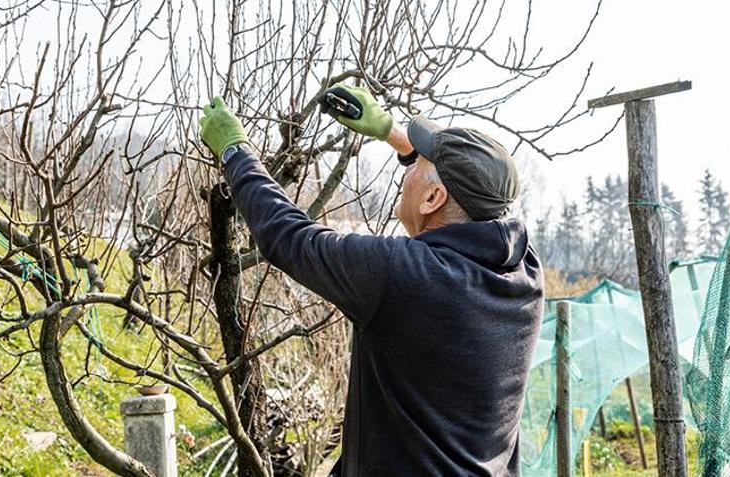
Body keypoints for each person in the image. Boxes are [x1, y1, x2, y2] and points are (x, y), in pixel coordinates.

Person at [198, 83, 544, 476]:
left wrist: (235, 151)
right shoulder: (524, 272)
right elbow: (477, 204)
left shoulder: (402, 275)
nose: (406, 172)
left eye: (416, 166)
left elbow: (288, 236)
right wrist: (391, 134)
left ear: (433, 199)